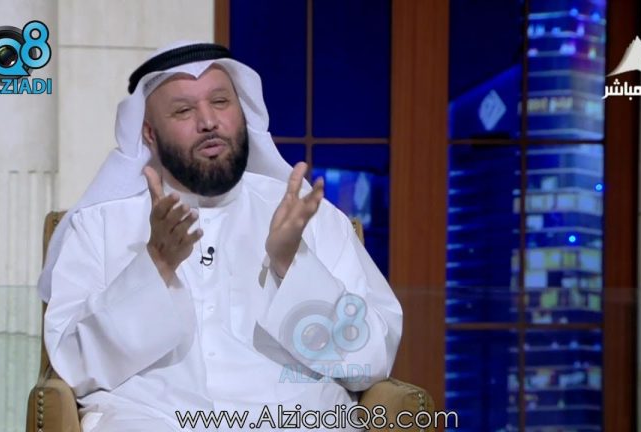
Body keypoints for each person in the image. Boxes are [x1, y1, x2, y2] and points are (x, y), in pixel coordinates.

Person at [40, 41, 403, 432]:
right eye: (183, 110)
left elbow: (370, 359)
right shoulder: (100, 225)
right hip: (152, 419)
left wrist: (292, 264)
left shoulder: (308, 217)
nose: (208, 121)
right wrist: (156, 265)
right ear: (148, 133)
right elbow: (72, 366)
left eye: (220, 102)